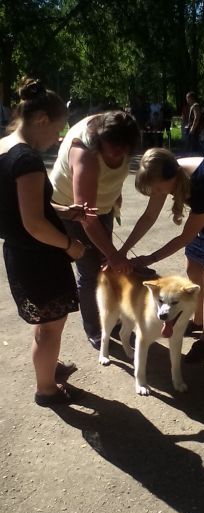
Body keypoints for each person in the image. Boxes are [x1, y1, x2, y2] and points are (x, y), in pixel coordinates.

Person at [117, 148, 204, 362]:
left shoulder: (202, 182)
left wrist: (150, 258)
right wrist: (122, 251)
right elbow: (149, 216)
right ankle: (197, 322)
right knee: (193, 268)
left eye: (159, 188)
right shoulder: (164, 172)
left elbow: (185, 237)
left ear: (171, 179)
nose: (157, 192)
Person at [0, 77, 87, 406]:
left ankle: (47, 368)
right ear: (40, 120)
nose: (56, 139)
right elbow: (35, 223)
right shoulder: (27, 160)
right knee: (50, 328)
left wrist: (64, 210)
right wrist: (71, 245)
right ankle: (46, 389)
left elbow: (21, 202)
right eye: (56, 131)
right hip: (39, 255)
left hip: (20, 253)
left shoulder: (4, 147)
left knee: (45, 325)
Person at [50, 110, 139, 349]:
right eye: (113, 149)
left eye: (124, 149)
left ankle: (112, 318)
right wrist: (113, 253)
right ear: (100, 141)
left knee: (106, 268)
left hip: (102, 206)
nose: (119, 154)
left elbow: (115, 173)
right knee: (91, 271)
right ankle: (96, 328)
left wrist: (114, 197)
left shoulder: (121, 130)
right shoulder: (85, 155)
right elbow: (87, 218)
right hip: (73, 209)